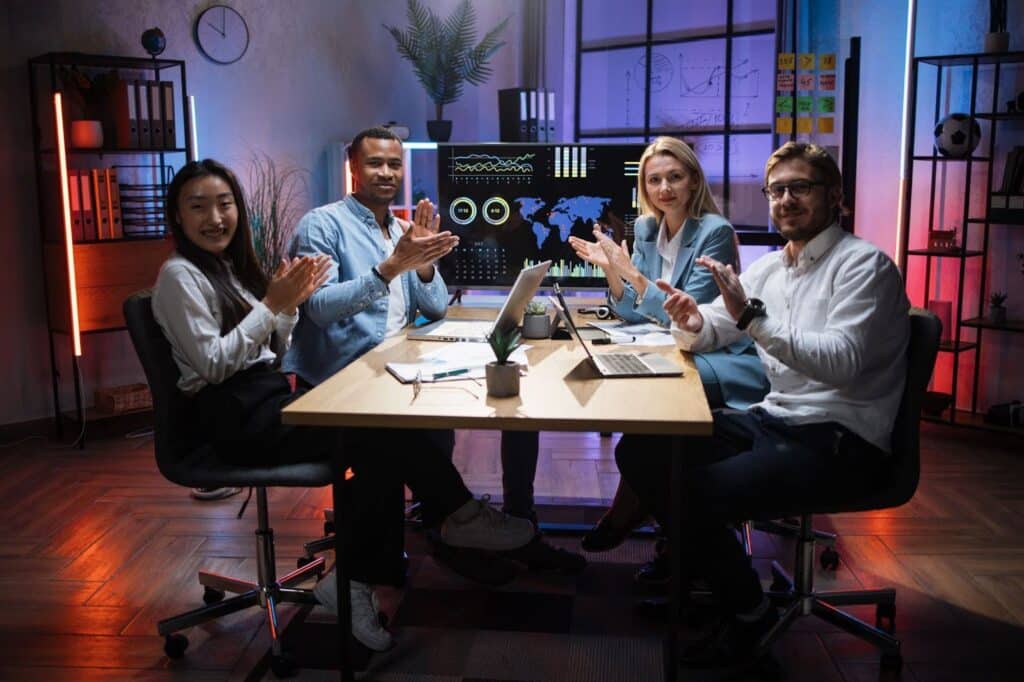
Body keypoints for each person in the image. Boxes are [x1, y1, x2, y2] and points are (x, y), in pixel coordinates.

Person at [153, 159, 533, 654]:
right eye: (198, 207)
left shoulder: (230, 267)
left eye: (224, 204)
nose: (215, 217)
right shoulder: (178, 277)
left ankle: (356, 576)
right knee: (376, 432)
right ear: (177, 217)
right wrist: (272, 306)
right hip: (227, 417)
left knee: (378, 442)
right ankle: (456, 517)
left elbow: (274, 348)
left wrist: (285, 308)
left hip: (265, 397)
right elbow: (213, 366)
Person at [616, 141, 910, 665]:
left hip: (841, 437)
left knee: (697, 492)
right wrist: (690, 318)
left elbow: (839, 362)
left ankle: (748, 611)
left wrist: (751, 319)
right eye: (777, 190)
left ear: (835, 196)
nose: (786, 200)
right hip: (776, 419)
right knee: (641, 451)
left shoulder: (866, 267)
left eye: (801, 188)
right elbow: (714, 328)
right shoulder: (771, 268)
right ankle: (715, 581)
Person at [282, 126, 537, 595]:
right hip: (340, 383)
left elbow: (436, 305)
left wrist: (420, 263)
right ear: (353, 169)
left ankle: (447, 535)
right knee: (397, 437)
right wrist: (389, 269)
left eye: (394, 164)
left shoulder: (401, 229)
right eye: (375, 163)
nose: (386, 172)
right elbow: (317, 309)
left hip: (394, 370)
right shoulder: (322, 225)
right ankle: (457, 524)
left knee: (439, 414)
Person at [564, 136, 768, 562]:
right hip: (669, 350)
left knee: (650, 416)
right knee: (643, 411)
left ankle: (638, 518)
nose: (664, 188)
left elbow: (685, 313)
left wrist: (634, 277)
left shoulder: (715, 232)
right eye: (654, 179)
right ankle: (663, 529)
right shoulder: (645, 228)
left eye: (674, 177)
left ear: (694, 181)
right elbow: (632, 313)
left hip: (716, 356)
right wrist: (615, 275)